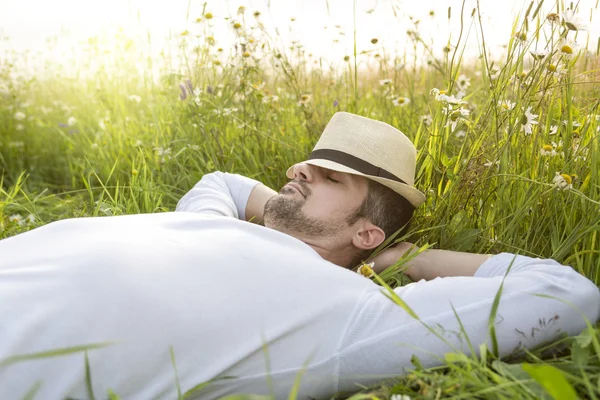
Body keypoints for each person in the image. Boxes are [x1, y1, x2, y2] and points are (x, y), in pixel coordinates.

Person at [0, 112, 598, 399]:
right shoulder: (208, 224)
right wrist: (292, 220)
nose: (300, 168)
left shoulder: (349, 315)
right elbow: (225, 181)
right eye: (312, 161)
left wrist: (406, 260)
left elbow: (568, 294)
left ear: (366, 231)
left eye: (334, 176)